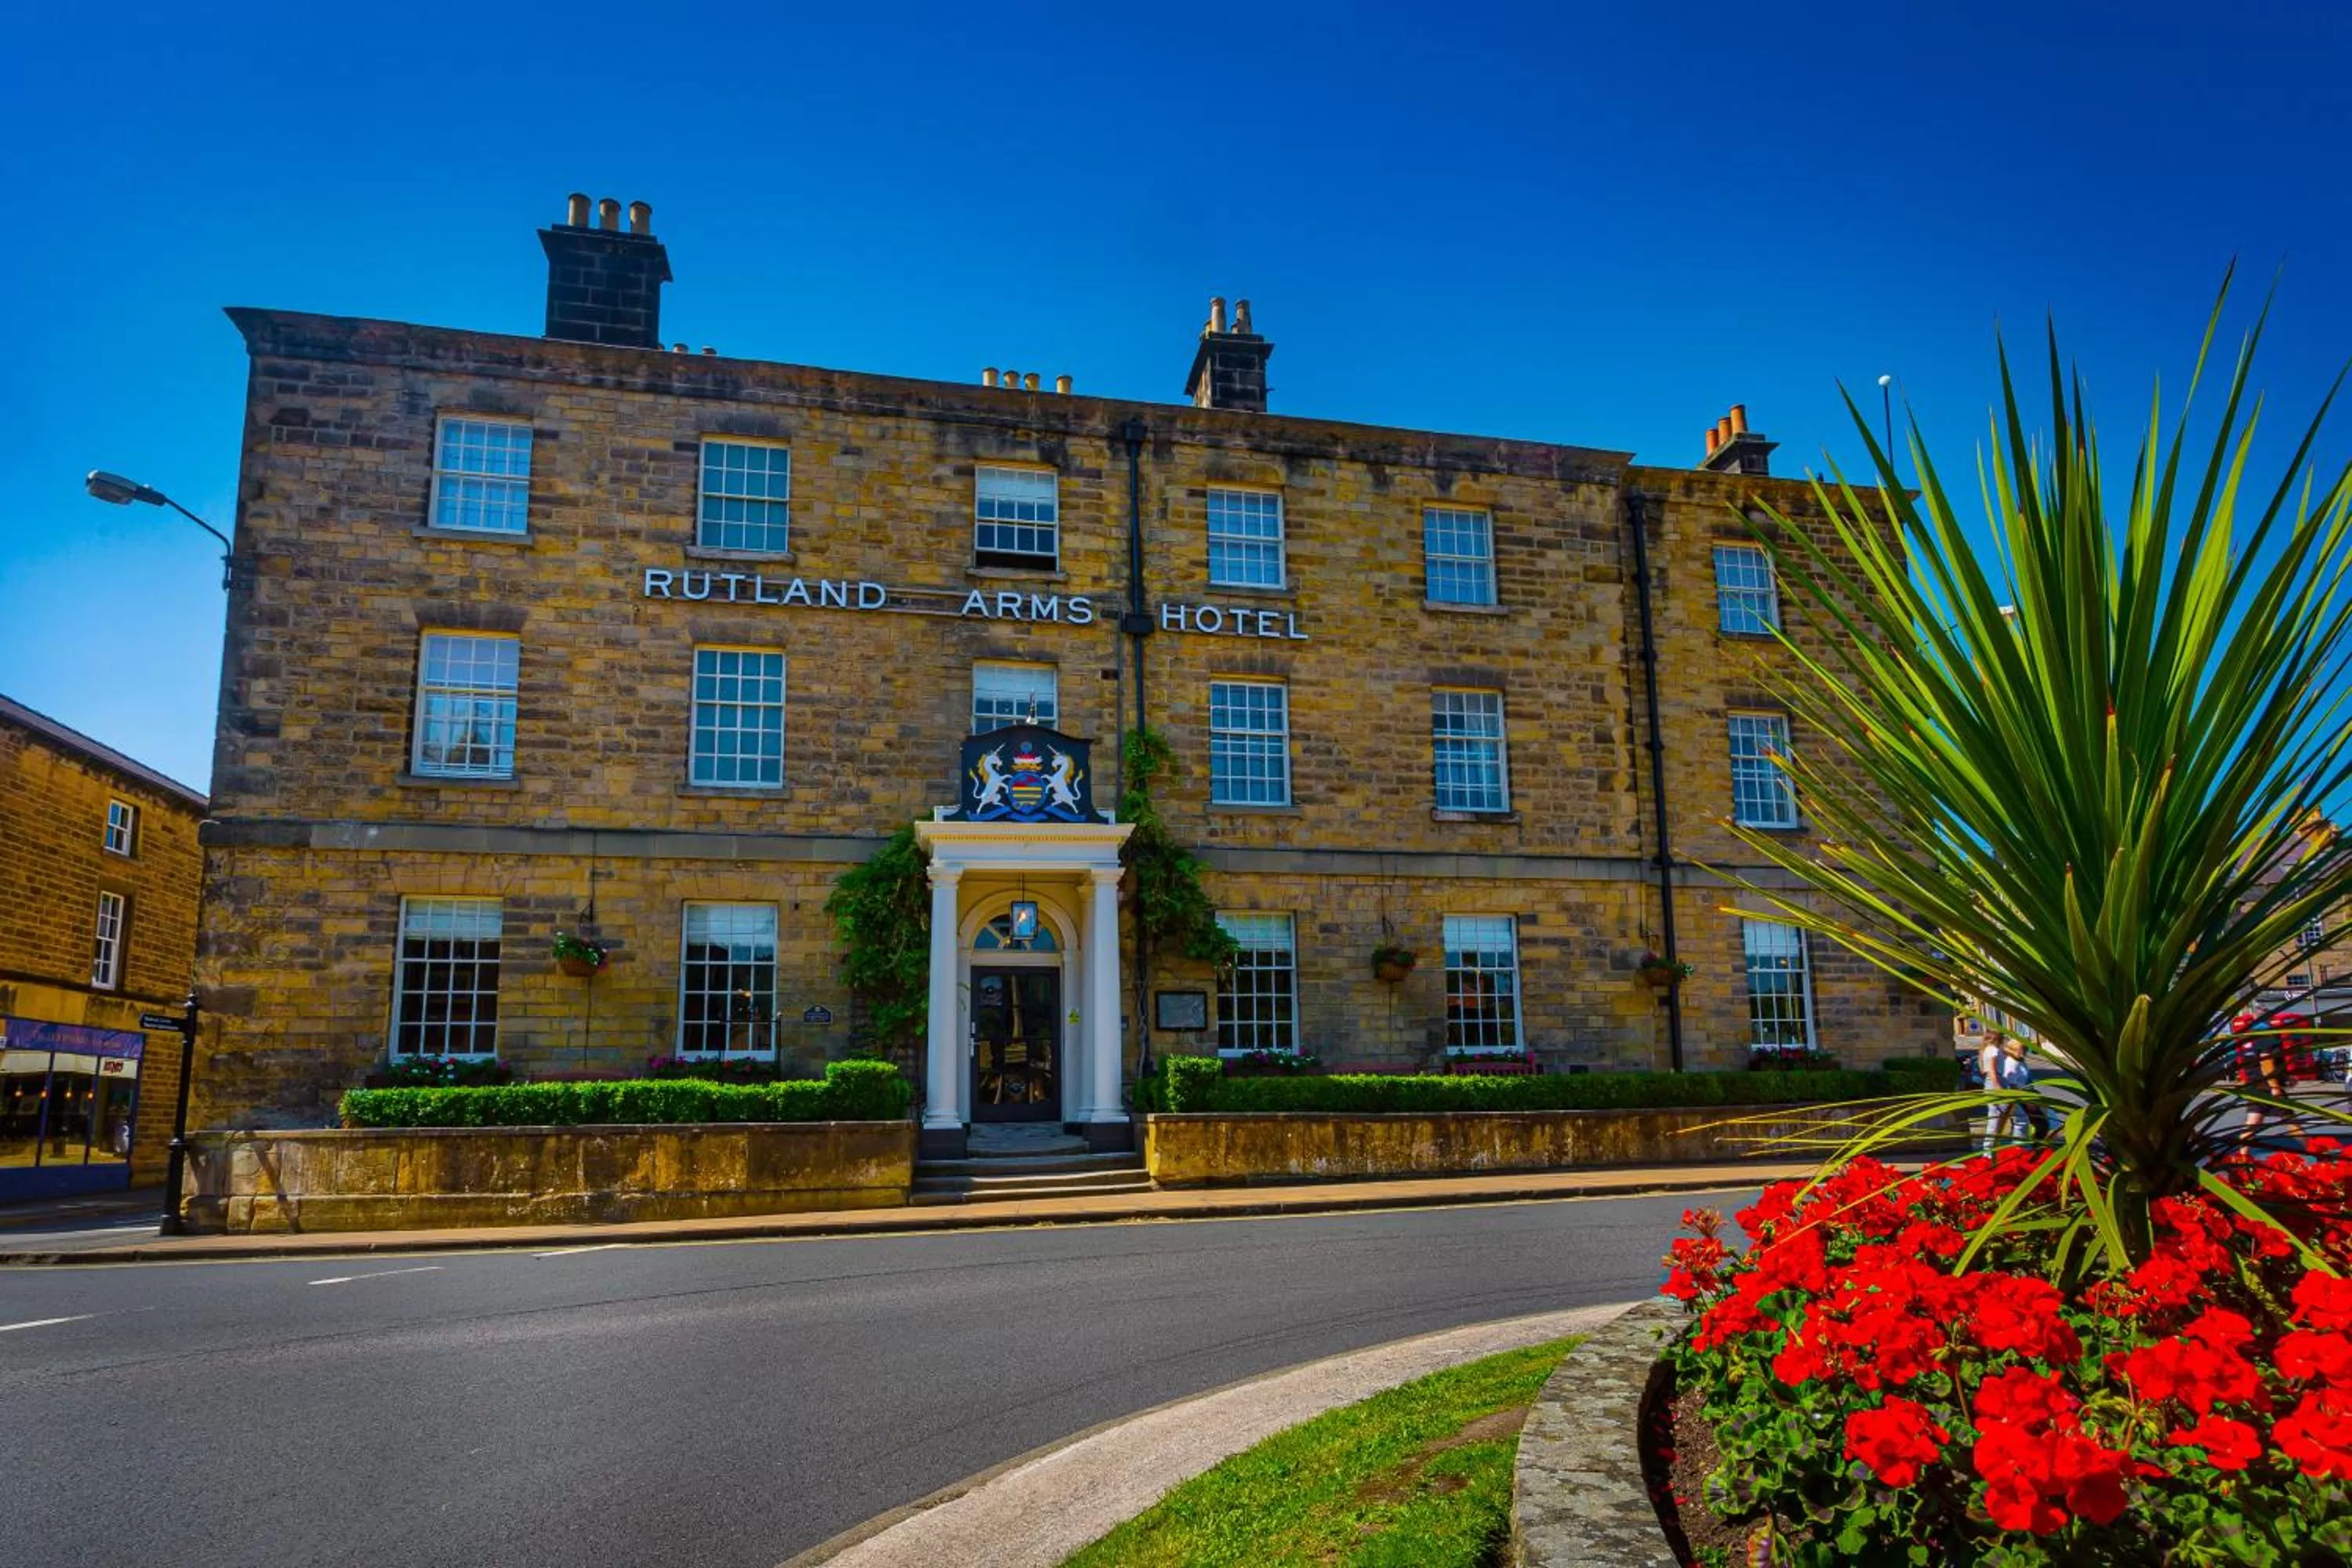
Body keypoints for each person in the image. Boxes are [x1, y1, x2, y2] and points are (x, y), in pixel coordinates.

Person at [1998, 1034, 2045, 1141]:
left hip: (2028, 1096)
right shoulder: (2012, 1063)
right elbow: (2012, 1084)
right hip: (2021, 1099)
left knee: (2039, 1123)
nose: (2026, 1050)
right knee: (2029, 1123)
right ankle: (2021, 1146)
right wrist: (2026, 1101)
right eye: (2024, 1048)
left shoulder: (2019, 1061)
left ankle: (2031, 1145)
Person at [1978, 1029, 2014, 1152]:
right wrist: (1999, 1088)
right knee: (2000, 1117)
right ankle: (1990, 1150)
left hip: (1990, 1083)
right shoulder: (1993, 1050)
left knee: (1995, 1117)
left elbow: (1984, 1071)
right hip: (1996, 1082)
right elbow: (1992, 1071)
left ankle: (1991, 1149)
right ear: (1997, 1039)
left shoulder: (1985, 1050)